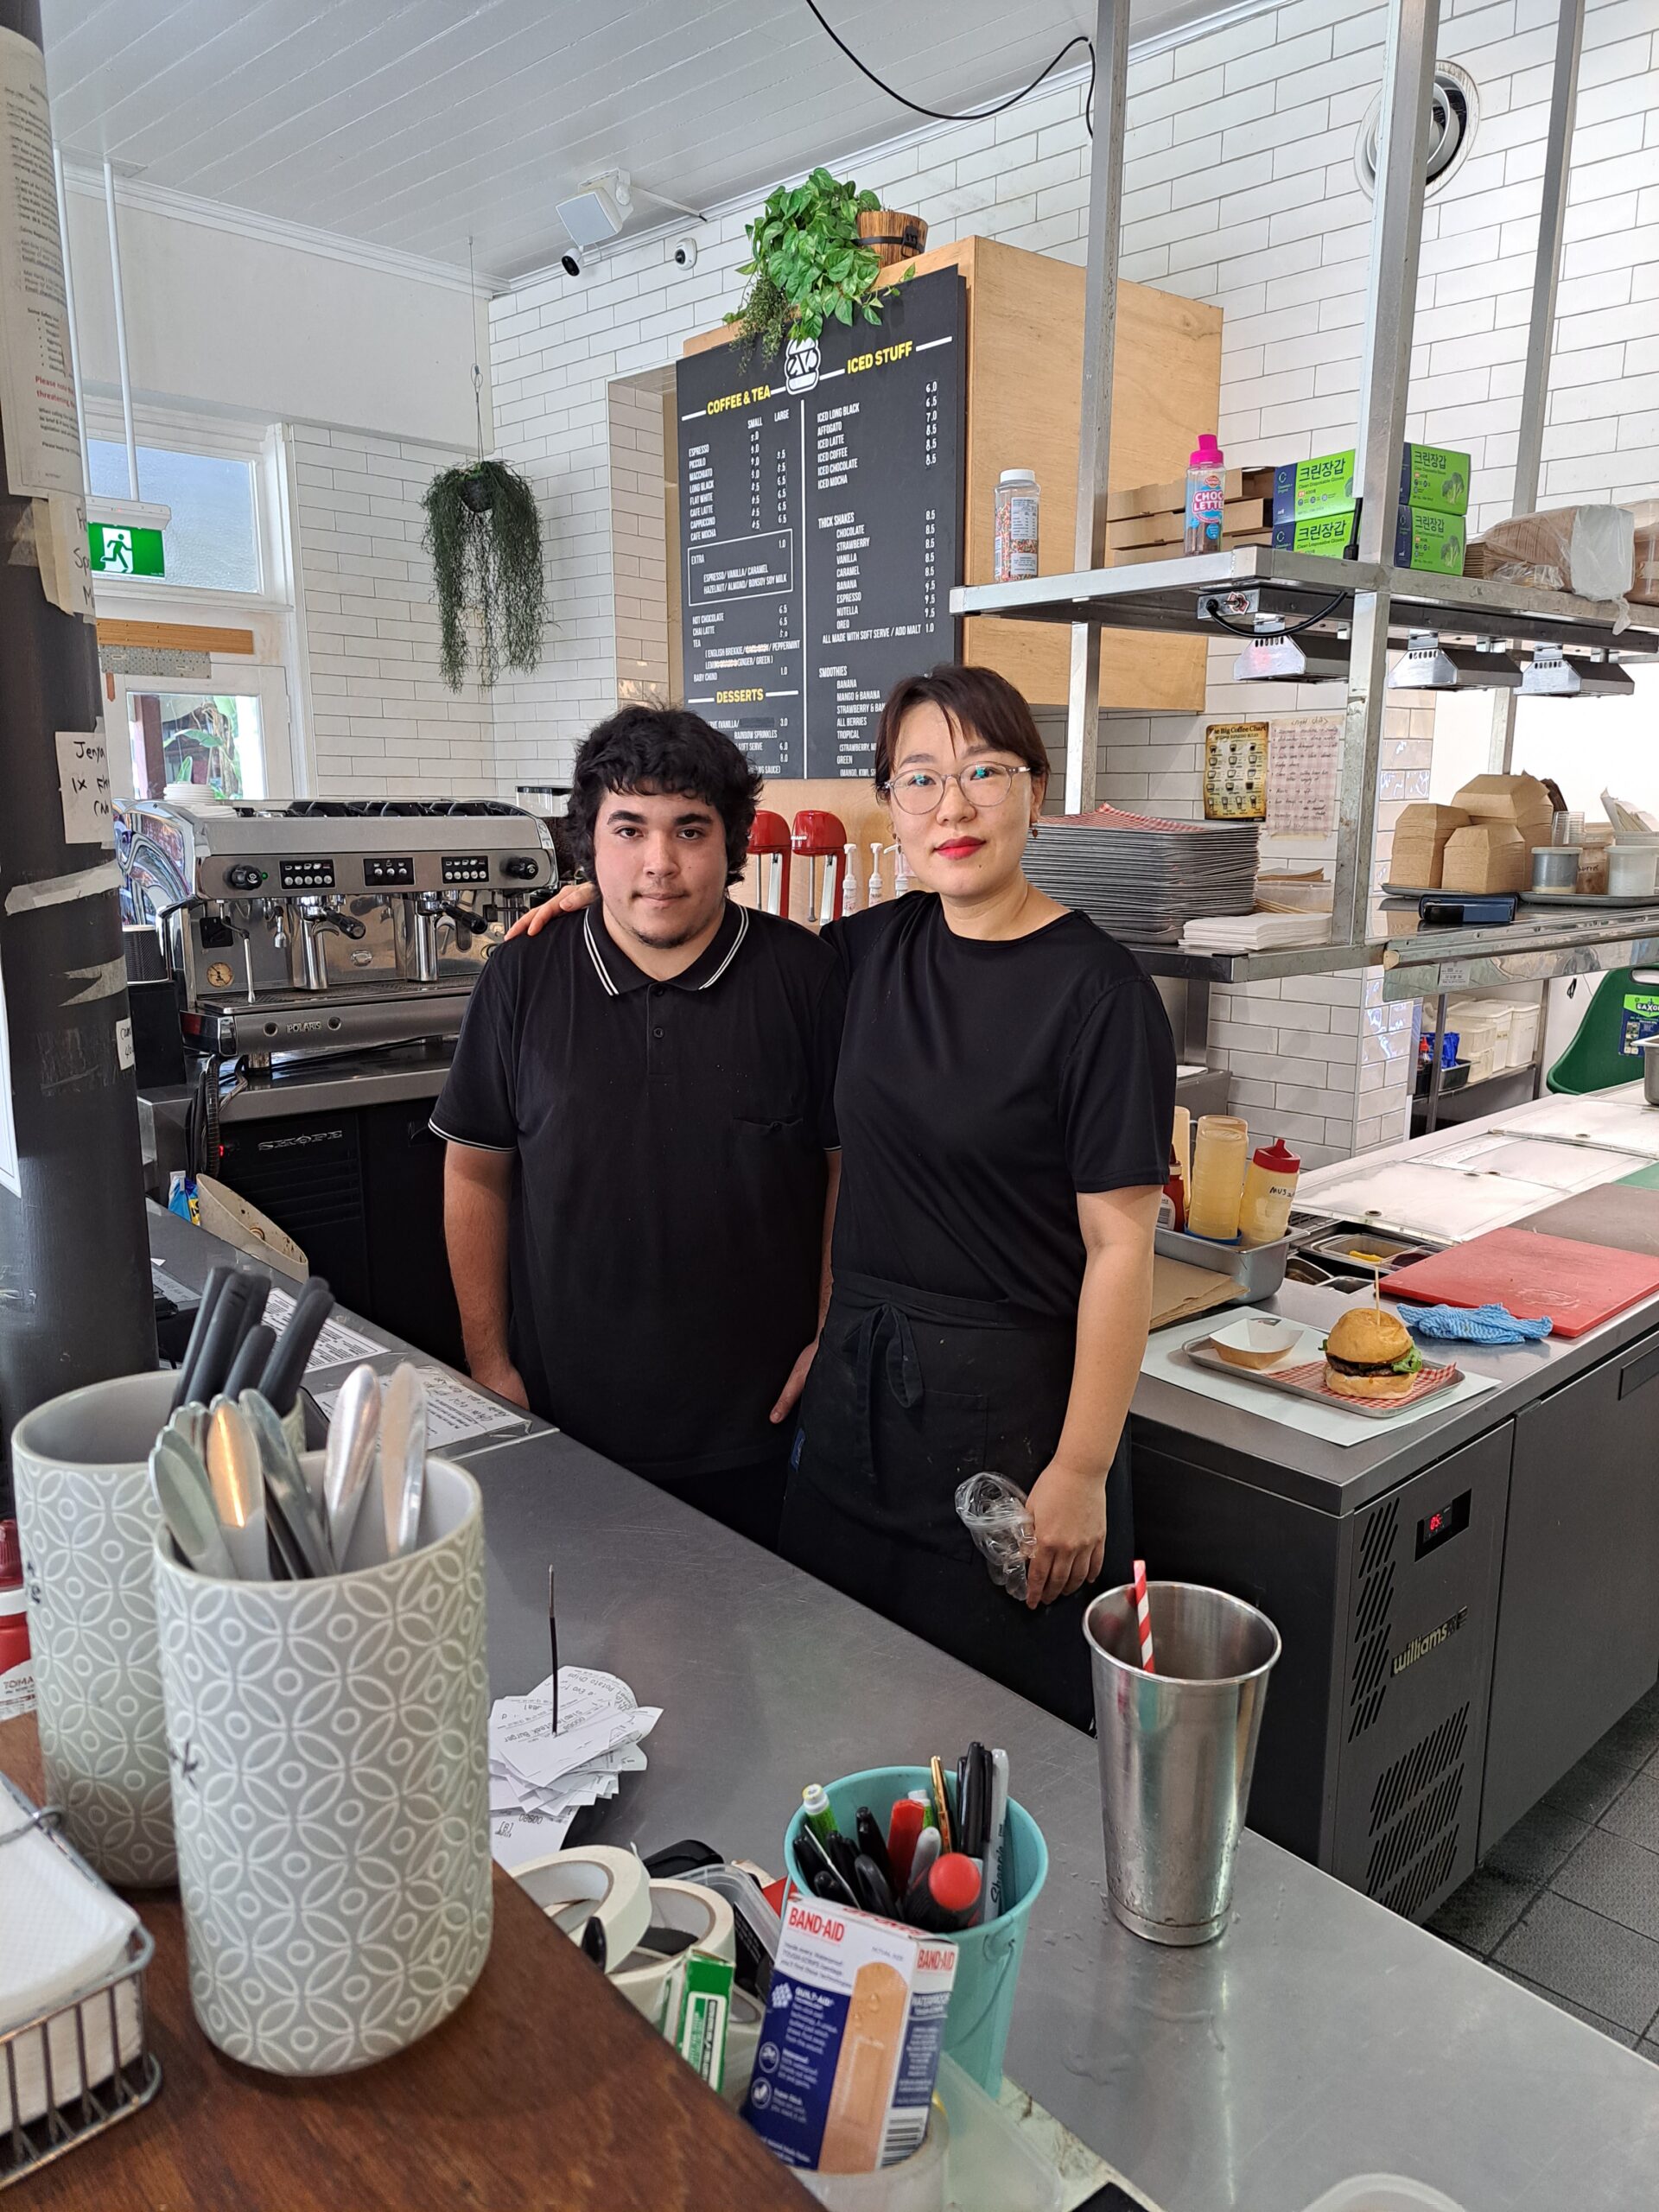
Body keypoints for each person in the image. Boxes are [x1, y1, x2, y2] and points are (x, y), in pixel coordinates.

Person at [779, 664, 1175, 1728]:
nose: (952, 805)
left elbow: (1121, 1247)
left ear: (1036, 794)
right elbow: (717, 949)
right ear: (891, 806)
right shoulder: (867, 953)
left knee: (984, 1747)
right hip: (856, 1416)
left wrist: (1083, 1466)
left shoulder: (1102, 996)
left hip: (1012, 1435)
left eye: (983, 771)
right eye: (919, 778)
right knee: (833, 1708)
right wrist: (598, 897)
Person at [433, 706, 842, 1551]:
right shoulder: (522, 975)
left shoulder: (805, 976)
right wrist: (489, 1364)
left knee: (744, 1666)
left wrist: (829, 1337)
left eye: (690, 829)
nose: (660, 863)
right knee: (572, 1660)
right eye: (630, 828)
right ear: (589, 843)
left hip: (761, 1426)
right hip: (561, 1414)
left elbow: (848, 1170)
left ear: (732, 843)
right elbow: (475, 1171)